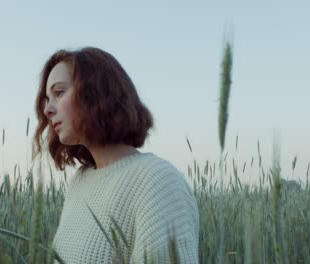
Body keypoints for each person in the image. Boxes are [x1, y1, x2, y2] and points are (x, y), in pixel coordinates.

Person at [32, 47, 199, 263]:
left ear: (96, 93)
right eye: (47, 99)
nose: (48, 110)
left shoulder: (158, 182)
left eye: (59, 92)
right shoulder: (80, 181)